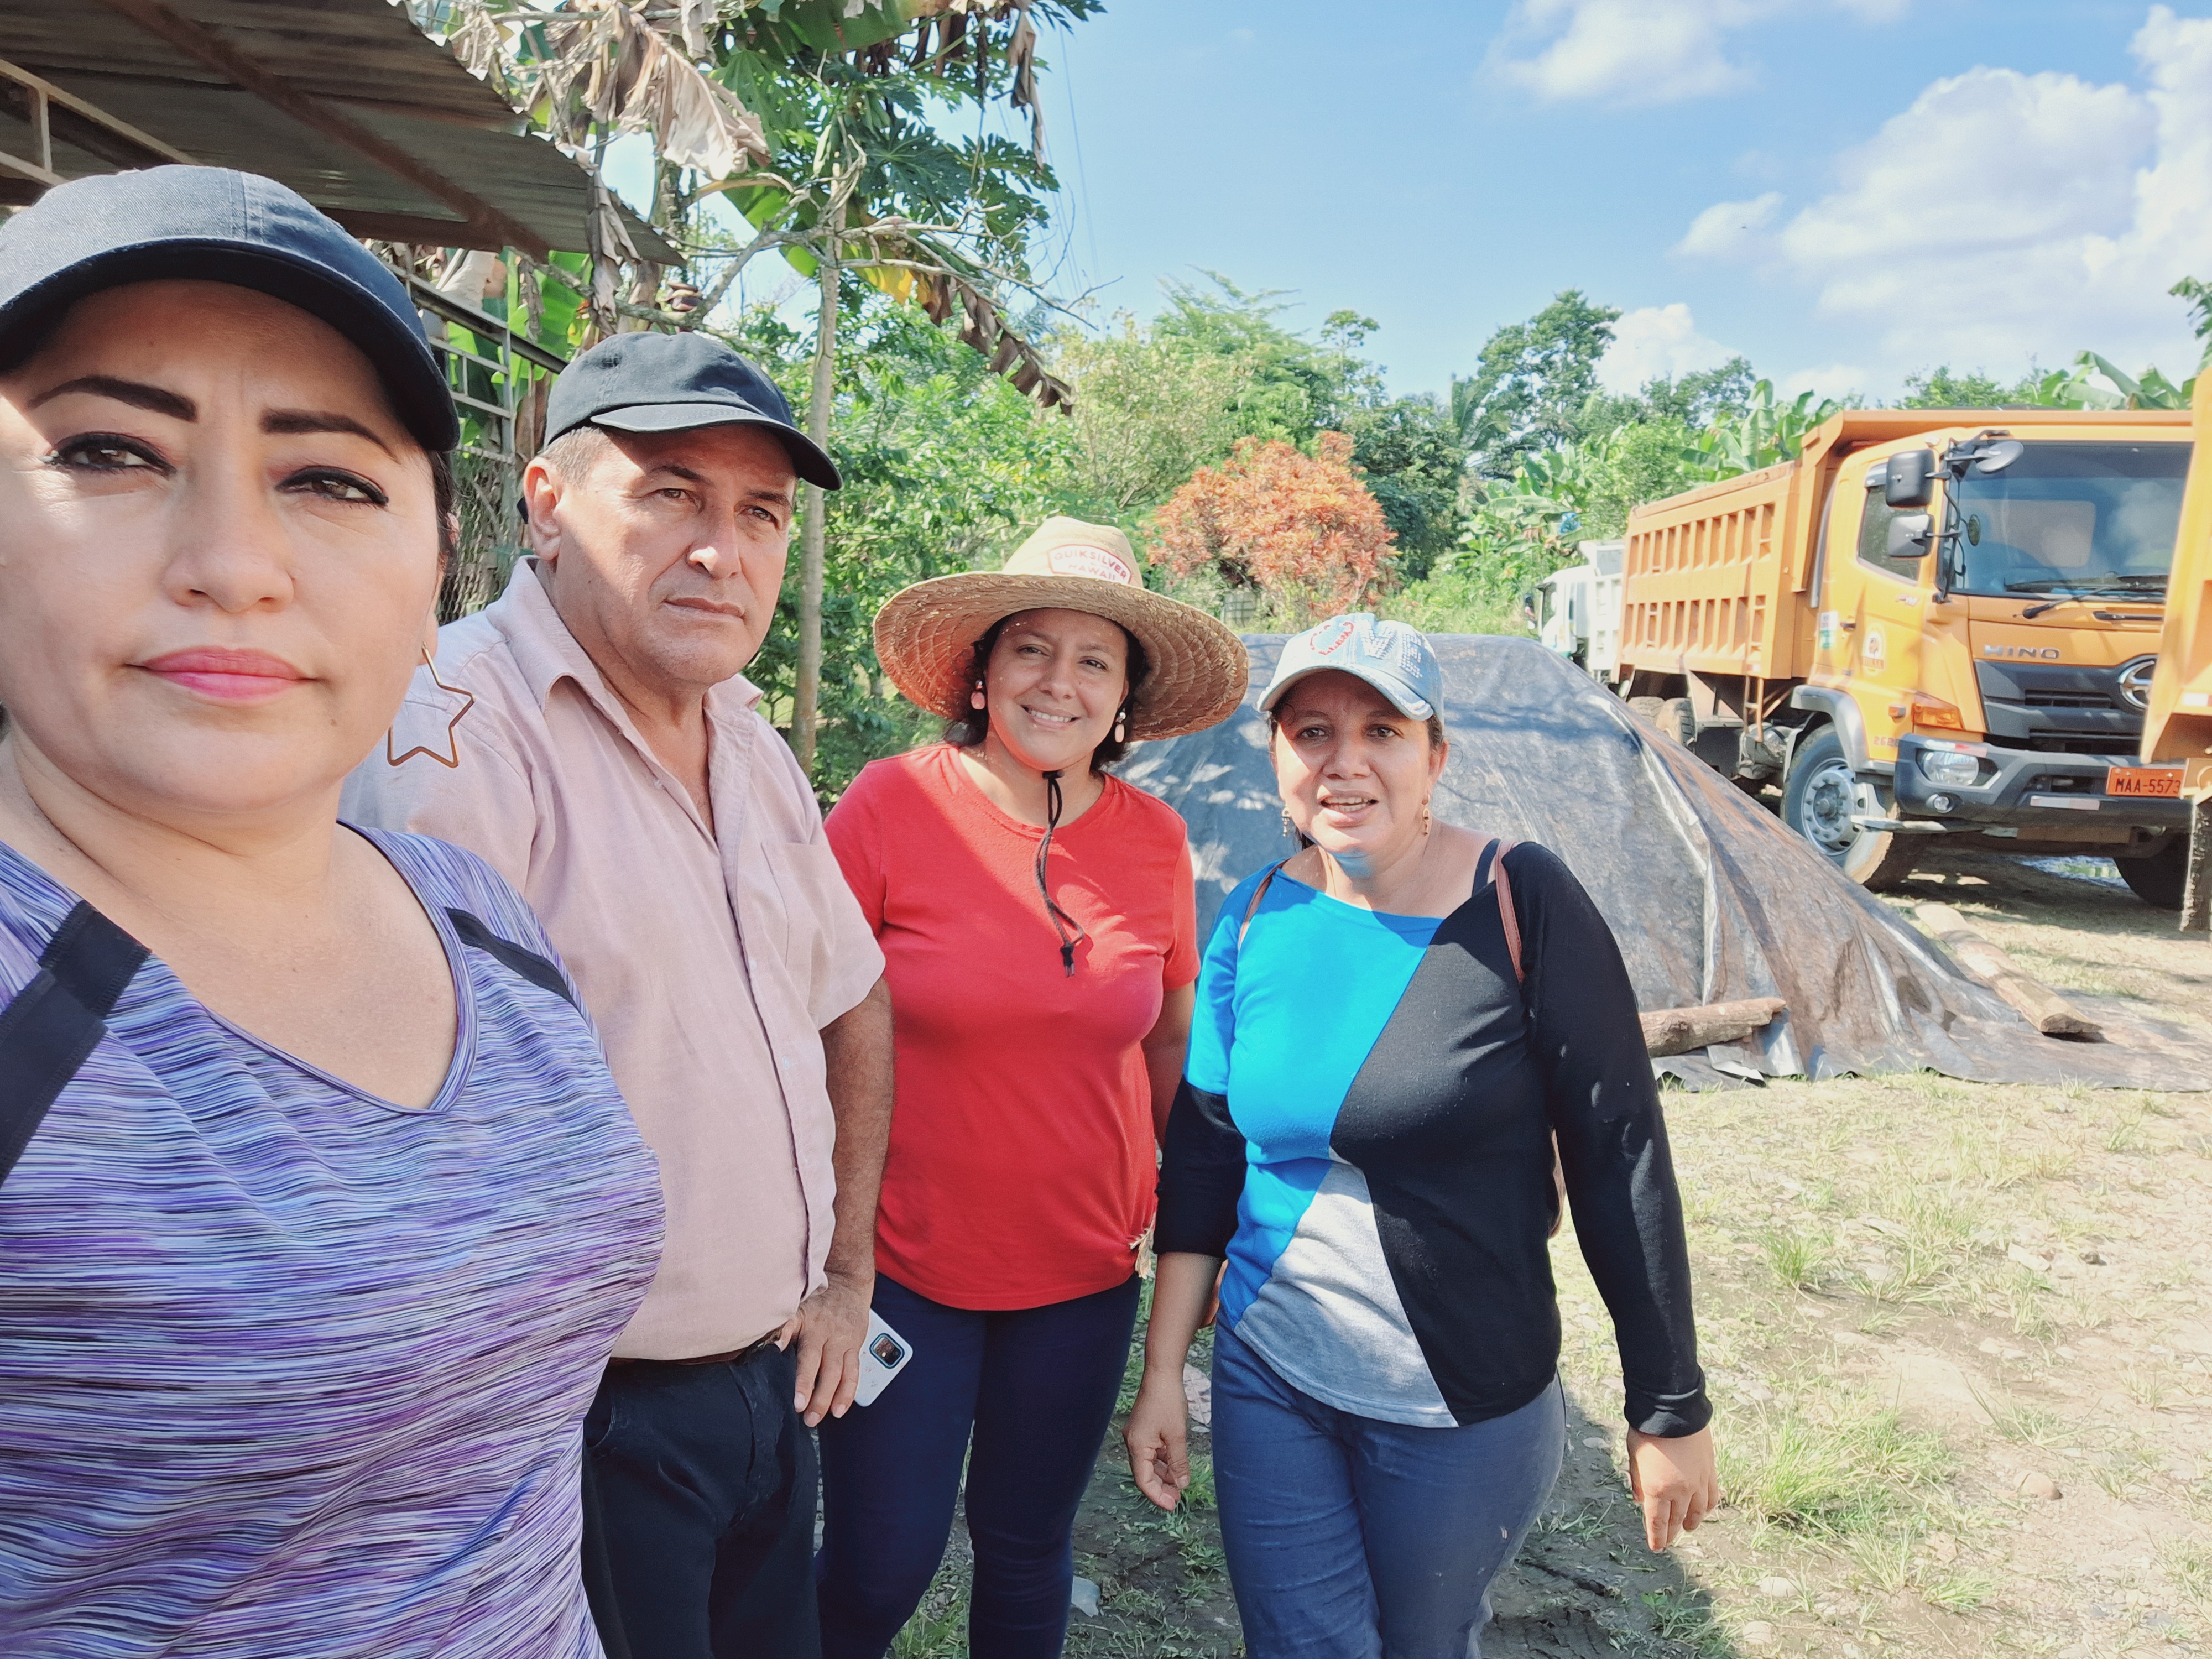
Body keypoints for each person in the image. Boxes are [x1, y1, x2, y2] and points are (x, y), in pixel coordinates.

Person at [0, 167, 662, 1656]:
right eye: (110, 451)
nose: (235, 565)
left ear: (432, 575)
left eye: (328, 479)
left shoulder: (475, 912)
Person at [345, 331, 892, 1658]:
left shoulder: (746, 735)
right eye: (671, 494)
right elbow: (408, 1124)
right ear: (546, 503)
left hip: (773, 1380)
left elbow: (852, 998)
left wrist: (844, 1273)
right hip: (581, 1418)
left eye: (759, 513)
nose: (721, 550)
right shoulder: (452, 728)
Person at [1125, 614, 1718, 1659]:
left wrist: (1668, 1405)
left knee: (1426, 1642)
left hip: (1460, 1399)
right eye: (1312, 732)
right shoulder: (1254, 917)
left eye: (1382, 731)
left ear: (1435, 755)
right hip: (1272, 1376)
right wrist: (1164, 1369)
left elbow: (1618, 1150)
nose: (1344, 762)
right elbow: (1207, 1157)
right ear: (1277, 757)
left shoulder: (1521, 900)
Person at [814, 519, 1248, 1658]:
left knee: (1025, 1548)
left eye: (1094, 660)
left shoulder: (1155, 840)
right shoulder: (888, 806)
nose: (1060, 682)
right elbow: (805, 1017)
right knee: (879, 1561)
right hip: (901, 1267)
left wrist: (1195, 1219)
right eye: (1032, 650)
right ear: (982, 671)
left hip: (1081, 1272)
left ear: (1124, 700)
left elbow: (1168, 1038)